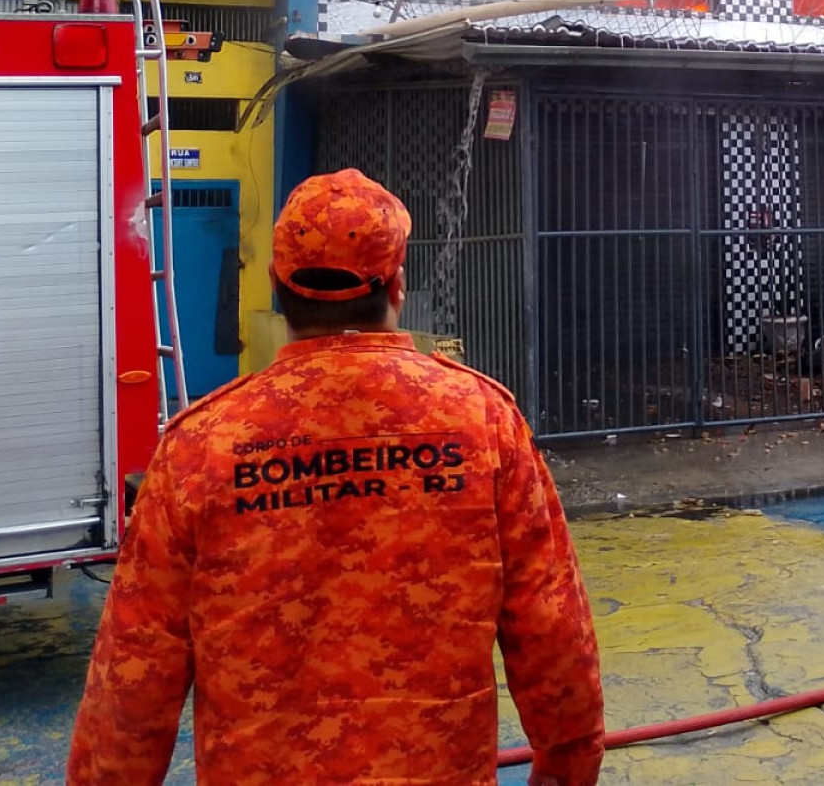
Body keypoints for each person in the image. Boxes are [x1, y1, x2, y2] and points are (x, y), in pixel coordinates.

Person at [67, 169, 605, 786]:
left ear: (275, 285)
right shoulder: (482, 423)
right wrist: (567, 768)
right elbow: (552, 628)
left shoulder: (202, 446)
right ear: (398, 285)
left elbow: (134, 674)